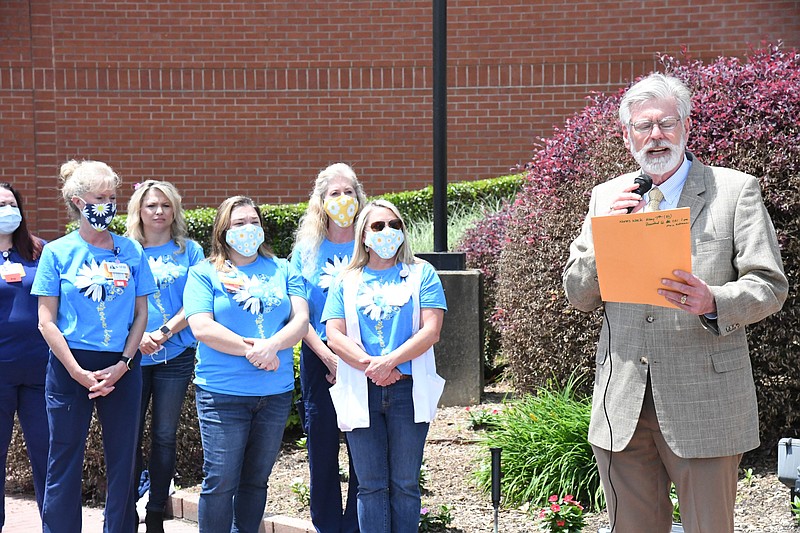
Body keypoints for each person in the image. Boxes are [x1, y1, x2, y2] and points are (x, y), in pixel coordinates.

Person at [562, 73, 788, 533]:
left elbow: (769, 284)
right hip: (622, 404)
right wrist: (604, 236)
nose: (656, 135)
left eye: (666, 123)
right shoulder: (607, 198)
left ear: (687, 126)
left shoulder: (734, 190)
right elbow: (579, 294)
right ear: (627, 136)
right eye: (643, 127)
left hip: (704, 403)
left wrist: (714, 301)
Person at [32, 160, 156, 533]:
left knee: (123, 461)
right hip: (71, 367)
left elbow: (140, 313)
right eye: (100, 197)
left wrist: (123, 363)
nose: (108, 204)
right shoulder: (57, 252)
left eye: (112, 197)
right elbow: (46, 320)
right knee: (64, 459)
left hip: (121, 367)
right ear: (77, 201)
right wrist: (76, 371)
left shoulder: (131, 250)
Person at [183, 196, 309, 533]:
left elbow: (300, 320)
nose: (248, 229)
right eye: (239, 223)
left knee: (256, 480)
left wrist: (273, 346)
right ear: (223, 231)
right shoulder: (203, 272)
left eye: (254, 221)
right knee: (220, 482)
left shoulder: (283, 268)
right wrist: (252, 350)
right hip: (222, 395)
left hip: (274, 393)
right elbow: (201, 326)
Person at [322, 199, 446, 533]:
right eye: (378, 226)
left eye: (395, 225)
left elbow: (431, 331)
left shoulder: (422, 274)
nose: (387, 232)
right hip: (361, 388)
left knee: (405, 484)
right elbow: (334, 334)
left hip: (407, 389)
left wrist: (390, 362)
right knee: (370, 485)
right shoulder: (346, 280)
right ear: (363, 236)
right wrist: (370, 366)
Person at [291, 163, 367, 533]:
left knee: (361, 447)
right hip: (318, 356)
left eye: (348, 192)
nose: (342, 200)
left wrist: (351, 357)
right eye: (334, 194)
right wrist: (327, 355)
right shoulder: (306, 252)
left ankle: (355, 524)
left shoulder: (370, 242)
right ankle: (326, 526)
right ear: (321, 202)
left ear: (359, 196)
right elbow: (298, 313)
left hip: (365, 358)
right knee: (321, 445)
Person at [126, 180, 205, 532]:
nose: (158, 212)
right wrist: (138, 338)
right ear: (139, 212)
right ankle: (126, 507)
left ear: (175, 211)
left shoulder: (190, 251)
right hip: (132, 358)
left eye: (165, 206)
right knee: (127, 433)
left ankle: (156, 510)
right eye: (151, 206)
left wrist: (163, 333)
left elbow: (197, 300)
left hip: (176, 355)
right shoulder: (124, 250)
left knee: (163, 435)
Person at [0, 183, 49, 529]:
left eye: (10, 203)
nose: (6, 210)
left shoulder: (39, 251)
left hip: (41, 372)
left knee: (50, 459)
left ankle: (56, 525)